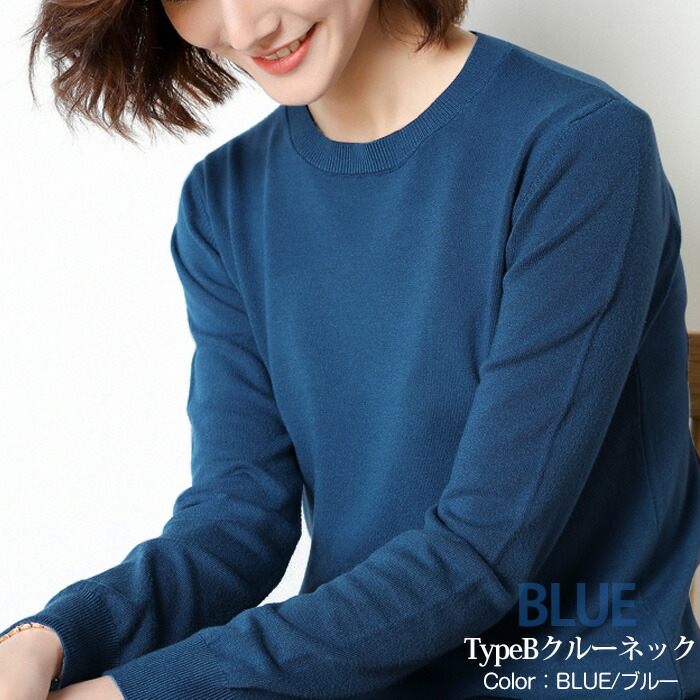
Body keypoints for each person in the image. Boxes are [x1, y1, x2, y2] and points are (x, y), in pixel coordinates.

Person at [1, 0, 699, 698]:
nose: (243, 28)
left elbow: (483, 551)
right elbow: (235, 521)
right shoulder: (224, 201)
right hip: (348, 680)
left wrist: (131, 693)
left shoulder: (578, 144)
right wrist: (49, 639)